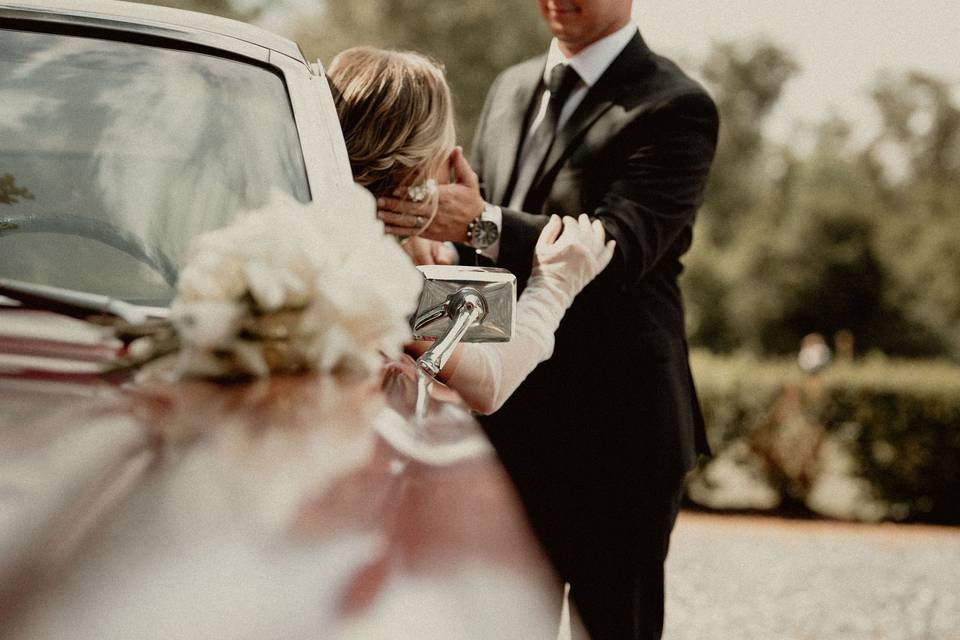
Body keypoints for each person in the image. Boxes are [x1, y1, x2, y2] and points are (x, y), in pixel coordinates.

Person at [376, 2, 720, 638]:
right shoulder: (510, 87)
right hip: (505, 420)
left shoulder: (677, 105)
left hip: (617, 436)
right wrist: (441, 255)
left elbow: (618, 247)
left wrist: (480, 223)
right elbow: (491, 265)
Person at [326, 47, 614, 416]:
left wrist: (421, 237)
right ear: (419, 165)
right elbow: (489, 384)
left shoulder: (326, 228)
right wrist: (552, 288)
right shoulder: (375, 271)